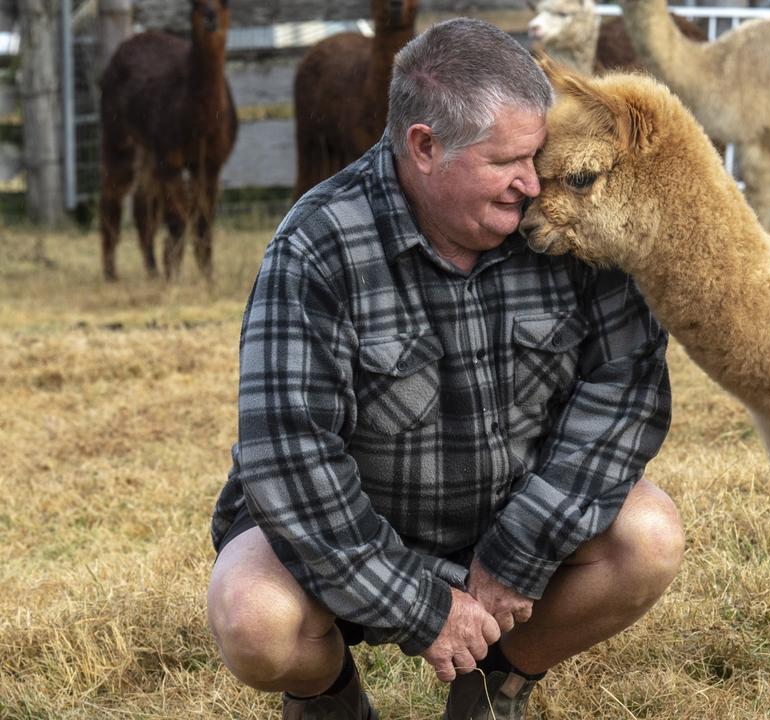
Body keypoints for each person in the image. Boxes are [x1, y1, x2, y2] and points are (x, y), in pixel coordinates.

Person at [205, 17, 683, 720]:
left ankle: (493, 687)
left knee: (649, 537)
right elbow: (289, 458)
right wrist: (420, 605)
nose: (532, 183)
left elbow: (629, 385)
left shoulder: (562, 216)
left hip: (508, 529)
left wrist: (522, 550)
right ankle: (328, 698)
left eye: (537, 154)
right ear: (424, 147)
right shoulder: (317, 246)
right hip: (352, 542)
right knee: (252, 617)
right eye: (505, 162)